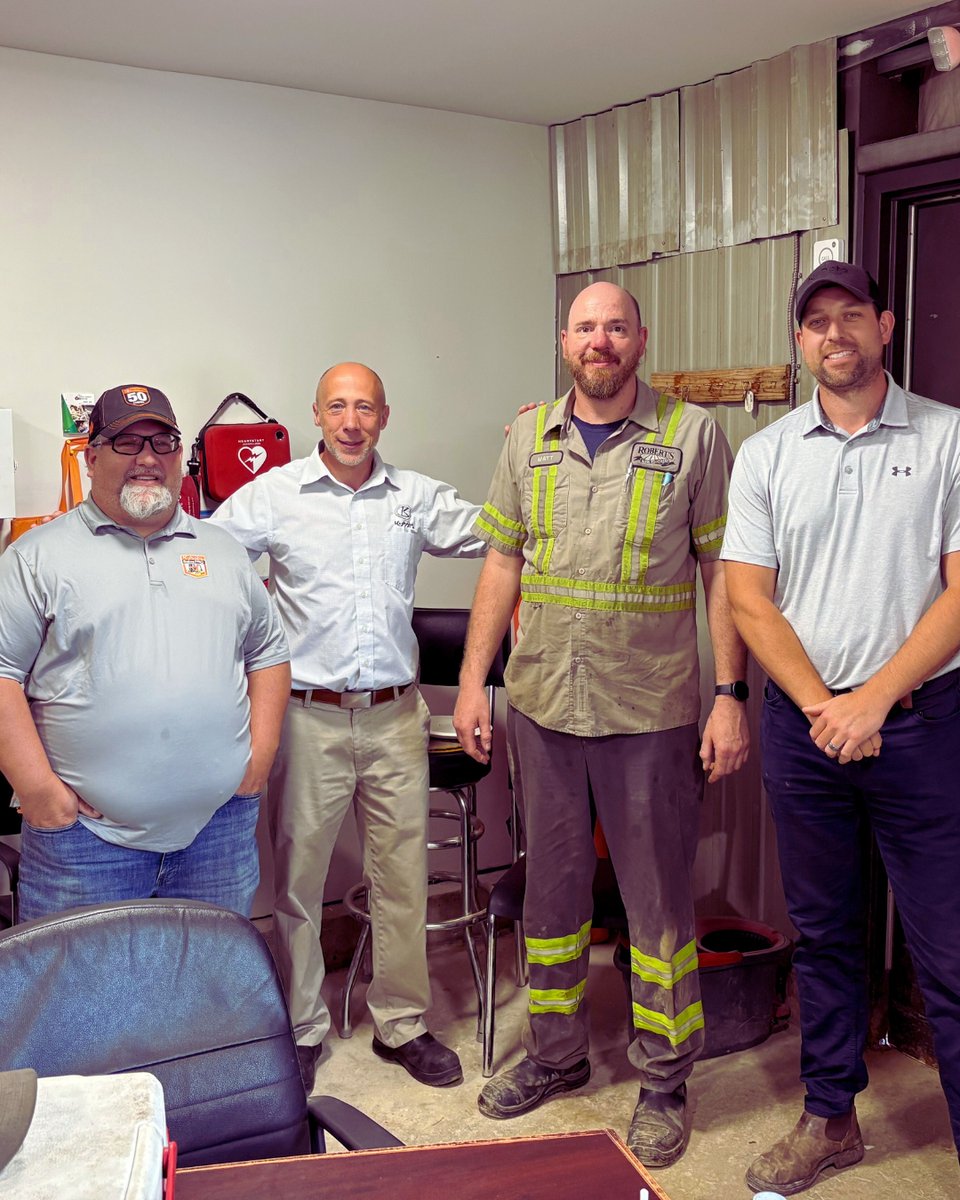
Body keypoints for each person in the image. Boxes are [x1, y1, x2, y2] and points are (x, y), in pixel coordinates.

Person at [453, 282, 750, 1167]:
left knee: (656, 900)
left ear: (639, 340)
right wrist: (475, 683)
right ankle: (557, 1057)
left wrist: (730, 695)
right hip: (543, 706)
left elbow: (721, 576)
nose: (600, 341)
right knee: (550, 894)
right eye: (586, 327)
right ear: (565, 339)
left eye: (615, 327)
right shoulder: (526, 437)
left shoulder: (692, 437)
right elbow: (502, 561)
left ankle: (665, 1078)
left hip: (649, 711)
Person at [722, 260, 960, 1194]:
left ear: (885, 326)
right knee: (823, 935)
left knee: (948, 942)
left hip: (920, 724)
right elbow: (748, 598)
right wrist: (826, 708)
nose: (835, 333)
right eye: (816, 321)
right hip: (806, 733)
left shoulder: (947, 438)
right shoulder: (768, 454)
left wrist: (874, 701)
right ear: (800, 341)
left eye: (851, 315)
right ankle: (832, 1122)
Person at [210, 361, 486, 1094]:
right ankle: (302, 1029)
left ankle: (401, 1024)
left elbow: (502, 533)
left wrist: (525, 451)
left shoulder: (413, 497)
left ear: (384, 417)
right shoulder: (275, 496)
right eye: (338, 407)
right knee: (298, 882)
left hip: (398, 716)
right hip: (309, 718)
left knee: (401, 877)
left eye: (365, 407)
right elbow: (201, 557)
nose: (352, 421)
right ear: (317, 416)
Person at [0, 384, 290, 922]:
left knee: (208, 992)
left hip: (217, 835)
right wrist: (40, 792)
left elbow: (268, 652)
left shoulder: (222, 551)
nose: (148, 459)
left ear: (180, 458)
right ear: (91, 458)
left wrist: (259, 760)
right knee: (83, 999)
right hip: (84, 845)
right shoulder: (37, 556)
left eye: (163, 443)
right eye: (127, 444)